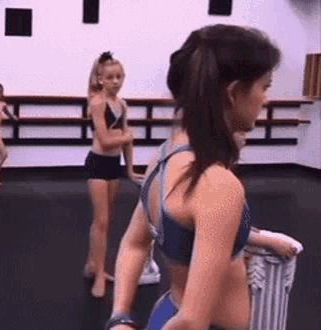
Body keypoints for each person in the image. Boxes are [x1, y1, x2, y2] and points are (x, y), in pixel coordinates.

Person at [106, 24, 285, 330]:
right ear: (233, 93)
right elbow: (192, 321)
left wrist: (120, 317)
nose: (266, 99)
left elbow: (135, 245)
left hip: (165, 314)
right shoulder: (218, 185)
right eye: (264, 87)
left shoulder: (163, 158)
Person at [83, 51, 144, 298]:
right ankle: (99, 275)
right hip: (98, 164)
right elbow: (107, 140)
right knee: (102, 221)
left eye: (119, 77)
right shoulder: (97, 103)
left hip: (114, 166)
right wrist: (127, 136)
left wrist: (130, 169)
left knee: (104, 222)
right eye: (110, 77)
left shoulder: (122, 105)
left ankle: (92, 264)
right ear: (100, 79)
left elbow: (125, 142)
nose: (116, 81)